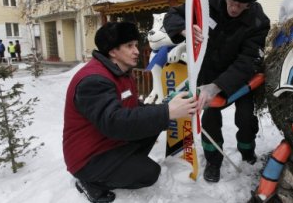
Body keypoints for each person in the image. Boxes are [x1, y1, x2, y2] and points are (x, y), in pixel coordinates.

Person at [63, 22, 197, 203]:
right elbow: (114, 122)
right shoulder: (93, 80)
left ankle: (123, 165)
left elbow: (132, 109)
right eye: (129, 46)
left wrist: (166, 107)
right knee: (149, 173)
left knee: (152, 125)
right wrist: (166, 112)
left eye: (136, 45)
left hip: (107, 142)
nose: (136, 51)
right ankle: (90, 181)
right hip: (87, 157)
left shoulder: (122, 72)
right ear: (112, 51)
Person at [163, 0, 270, 183]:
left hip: (238, 79)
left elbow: (247, 60)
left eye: (242, 5)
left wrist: (218, 86)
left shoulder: (259, 22)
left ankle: (247, 151)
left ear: (251, 3)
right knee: (211, 120)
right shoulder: (208, 0)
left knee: (246, 118)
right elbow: (172, 15)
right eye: (232, 1)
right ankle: (213, 161)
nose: (234, 8)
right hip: (207, 73)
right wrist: (185, 29)